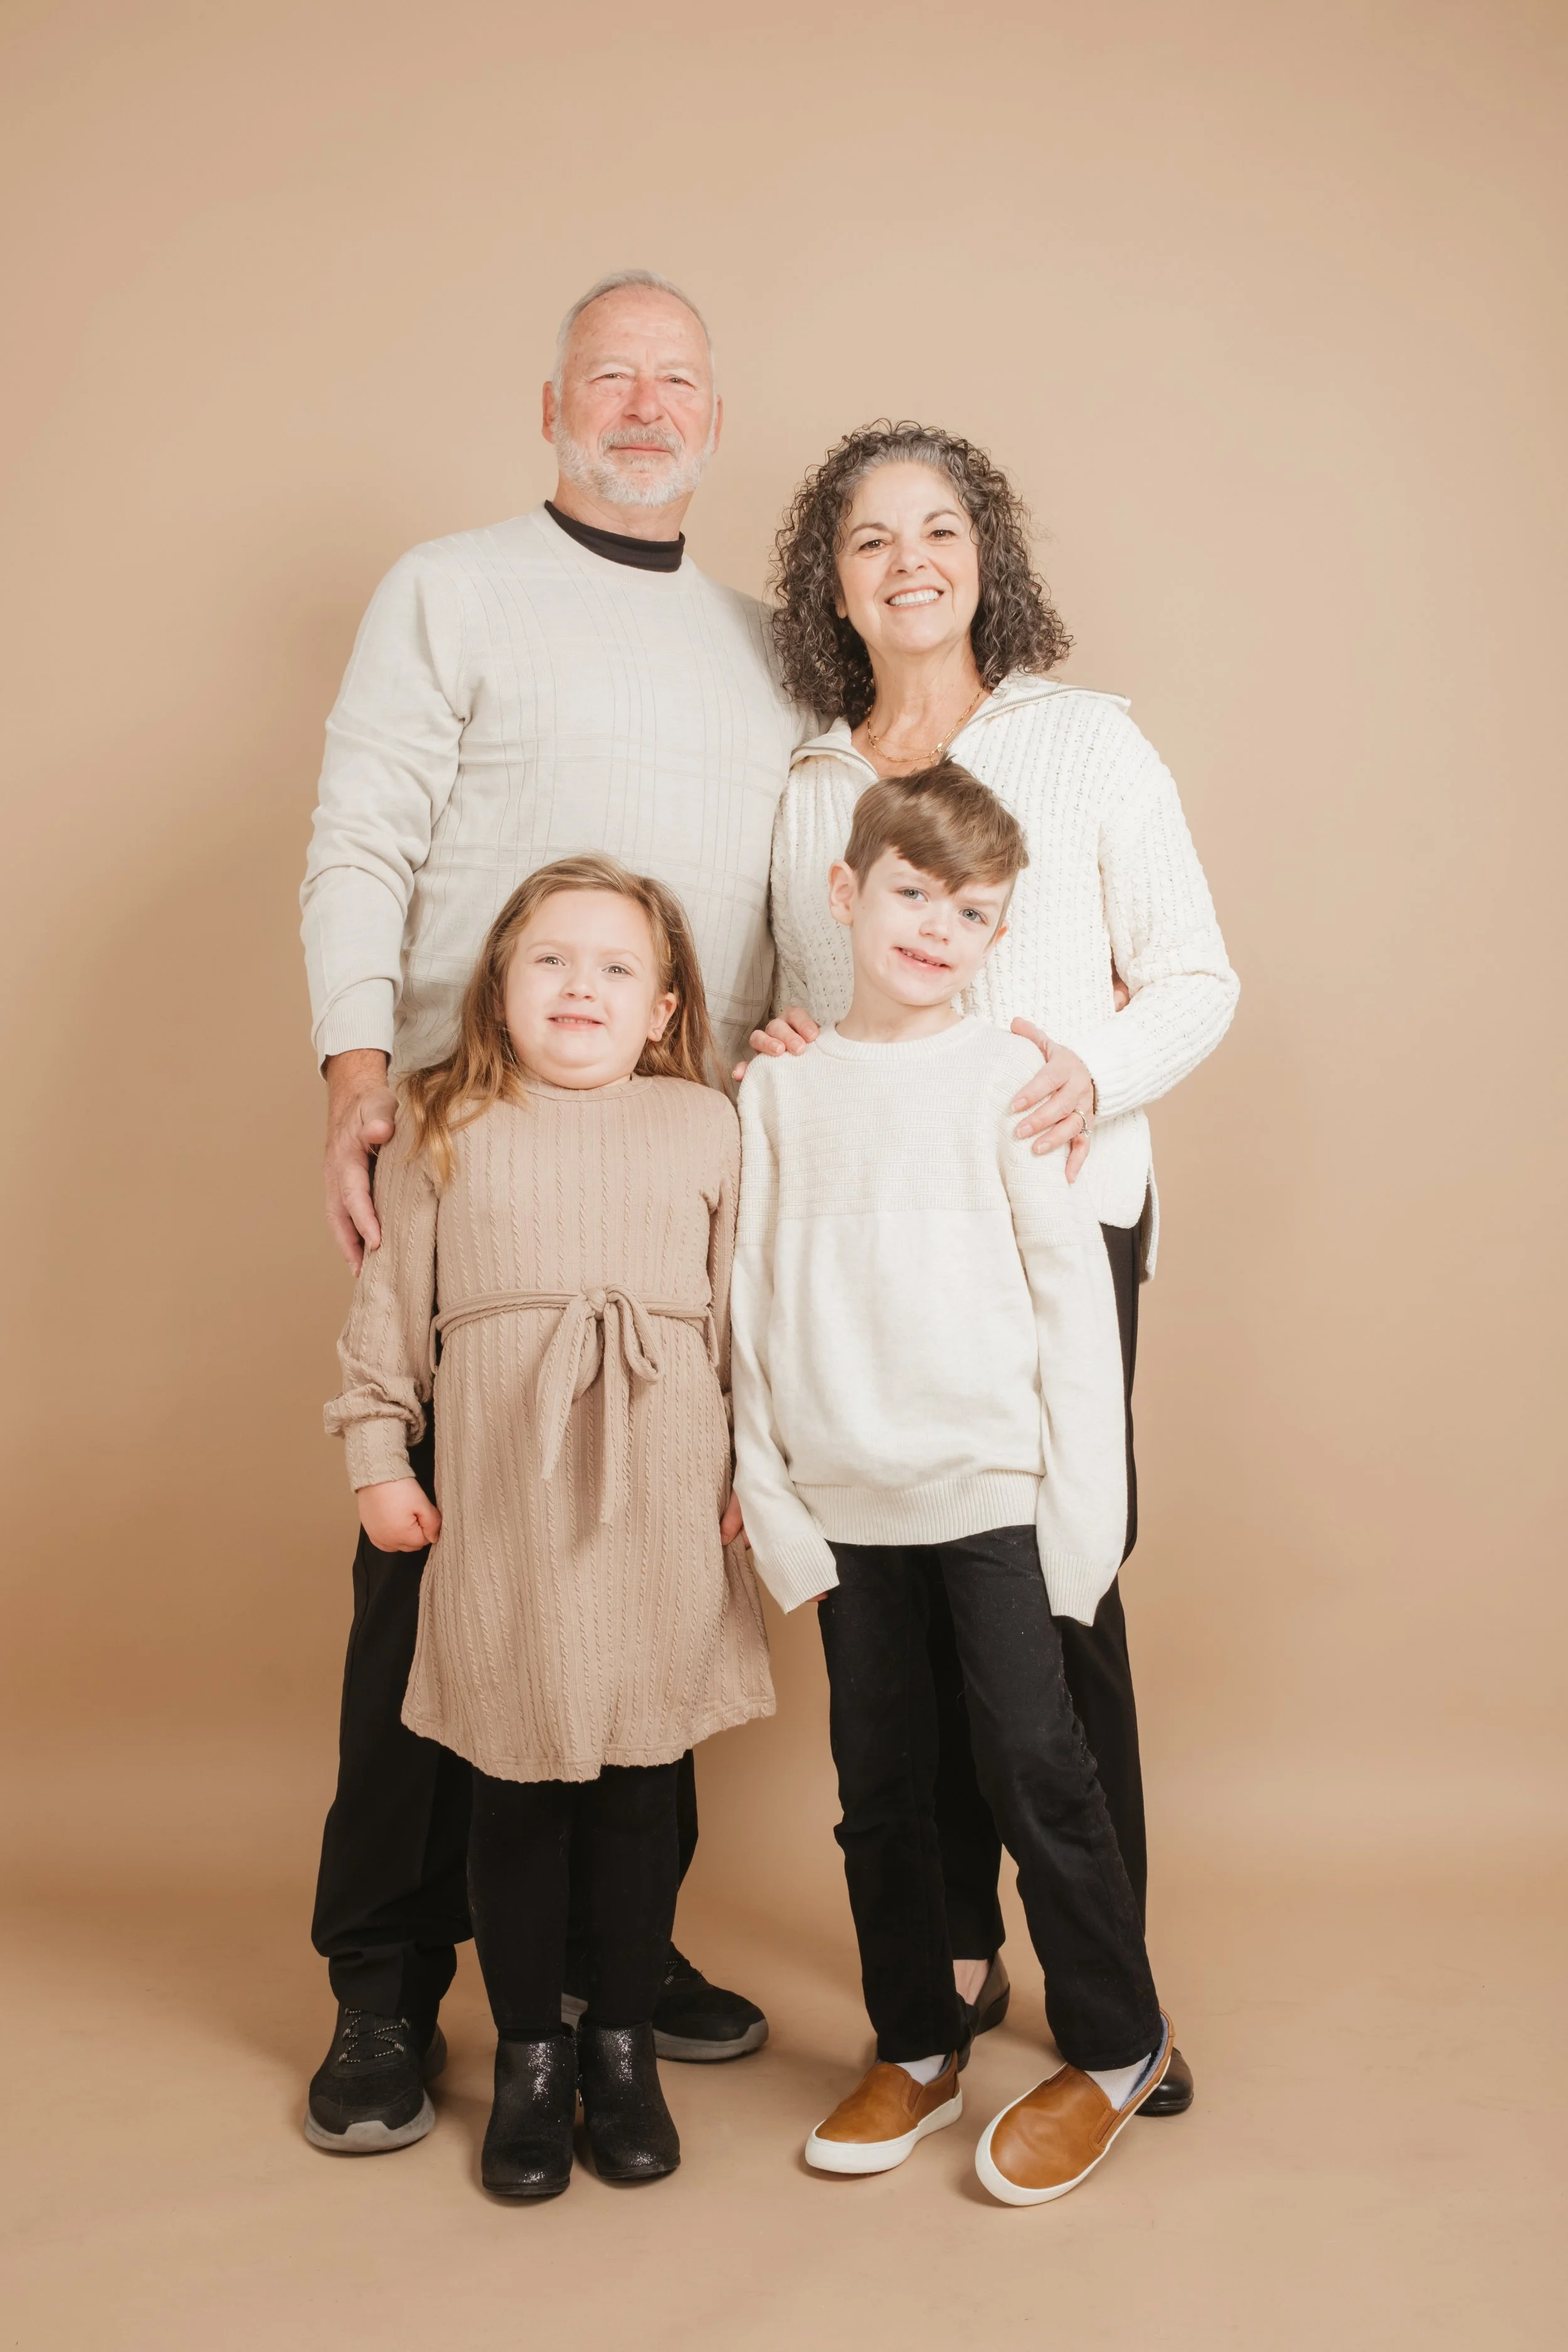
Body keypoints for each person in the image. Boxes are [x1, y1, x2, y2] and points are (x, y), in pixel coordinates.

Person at [300, 270, 798, 2154]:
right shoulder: (448, 588)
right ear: (551, 403)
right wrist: (358, 1062)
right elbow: (362, 831)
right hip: (470, 1158)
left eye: (679, 380)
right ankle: (382, 1987)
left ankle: (619, 1952)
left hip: (668, 1179)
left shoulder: (765, 647)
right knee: (432, 1595)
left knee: (650, 1597)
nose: (646, 405)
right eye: (614, 375)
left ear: (714, 421)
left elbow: (784, 894)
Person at [753, 421, 1240, 2116]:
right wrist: (787, 1035)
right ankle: (947, 1950)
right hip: (871, 1248)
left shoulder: (1090, 746)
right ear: (830, 577)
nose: (907, 561)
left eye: (938, 528)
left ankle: (1114, 1989)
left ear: (984, 553)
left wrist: (1089, 1076)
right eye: (868, 537)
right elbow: (789, 986)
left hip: (1056, 1214)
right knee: (897, 1595)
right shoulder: (809, 779)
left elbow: (1192, 974)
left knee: (1051, 1596)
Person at [733, 766, 1173, 2203]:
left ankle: (1115, 2047)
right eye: (910, 893)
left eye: (969, 910)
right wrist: (779, 1507)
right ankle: (915, 2044)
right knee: (879, 1791)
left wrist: (1076, 1533)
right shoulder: (780, 1088)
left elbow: (1068, 1312)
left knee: (1035, 1768)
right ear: (845, 893)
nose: (935, 926)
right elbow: (745, 1310)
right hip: (845, 1495)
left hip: (988, 1492)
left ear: (996, 935)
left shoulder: (1006, 1080)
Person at [324, 856, 773, 2198]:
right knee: (511, 1787)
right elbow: (385, 1319)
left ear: (663, 1007)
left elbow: (750, 1322)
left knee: (639, 1788)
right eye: (550, 961)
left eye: (616, 967)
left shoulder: (708, 1127)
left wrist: (761, 1466)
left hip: (661, 1500)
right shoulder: (441, 1122)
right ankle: (528, 2056)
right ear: (499, 990)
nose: (582, 985)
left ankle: (616, 2048)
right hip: (501, 1516)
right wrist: (372, 1455)